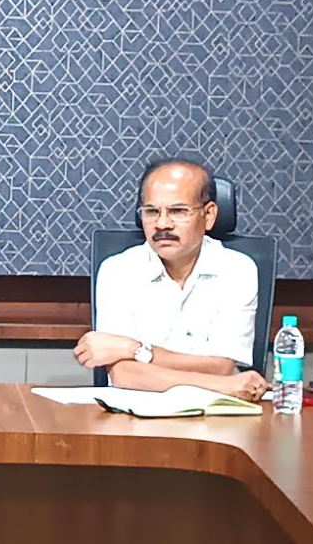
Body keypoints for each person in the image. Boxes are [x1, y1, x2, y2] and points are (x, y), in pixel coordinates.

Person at [74, 159, 269, 401]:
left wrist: (135, 350)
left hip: (214, 412)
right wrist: (221, 385)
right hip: (135, 411)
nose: (162, 224)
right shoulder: (118, 270)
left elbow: (220, 366)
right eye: (152, 212)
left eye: (178, 211)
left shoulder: (237, 269)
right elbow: (127, 376)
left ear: (208, 215)